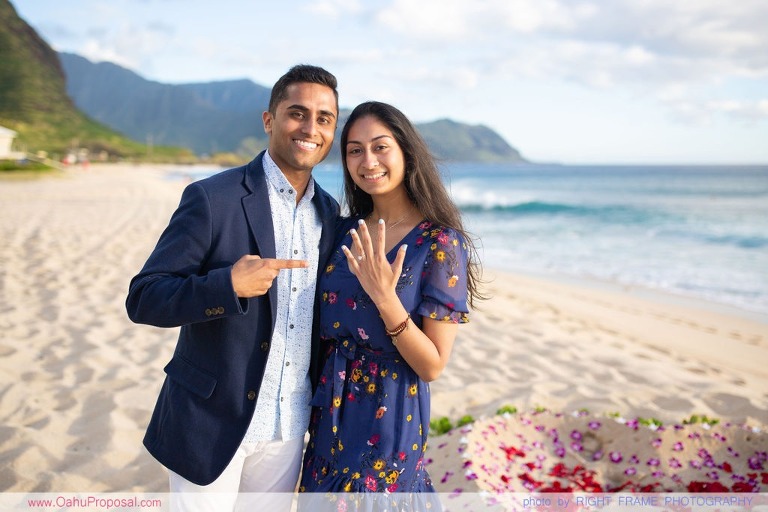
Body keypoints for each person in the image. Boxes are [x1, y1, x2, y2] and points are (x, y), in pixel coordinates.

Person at [125, 64, 340, 511]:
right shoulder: (212, 197)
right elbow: (145, 297)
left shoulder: (330, 213)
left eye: (324, 118)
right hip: (210, 422)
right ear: (269, 120)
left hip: (288, 426)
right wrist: (227, 285)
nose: (310, 128)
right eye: (297, 113)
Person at [298, 101, 483, 505]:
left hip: (389, 417)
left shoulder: (439, 243)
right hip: (328, 412)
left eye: (381, 147)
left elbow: (432, 365)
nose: (368, 161)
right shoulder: (343, 230)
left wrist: (385, 297)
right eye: (355, 150)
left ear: (406, 152)